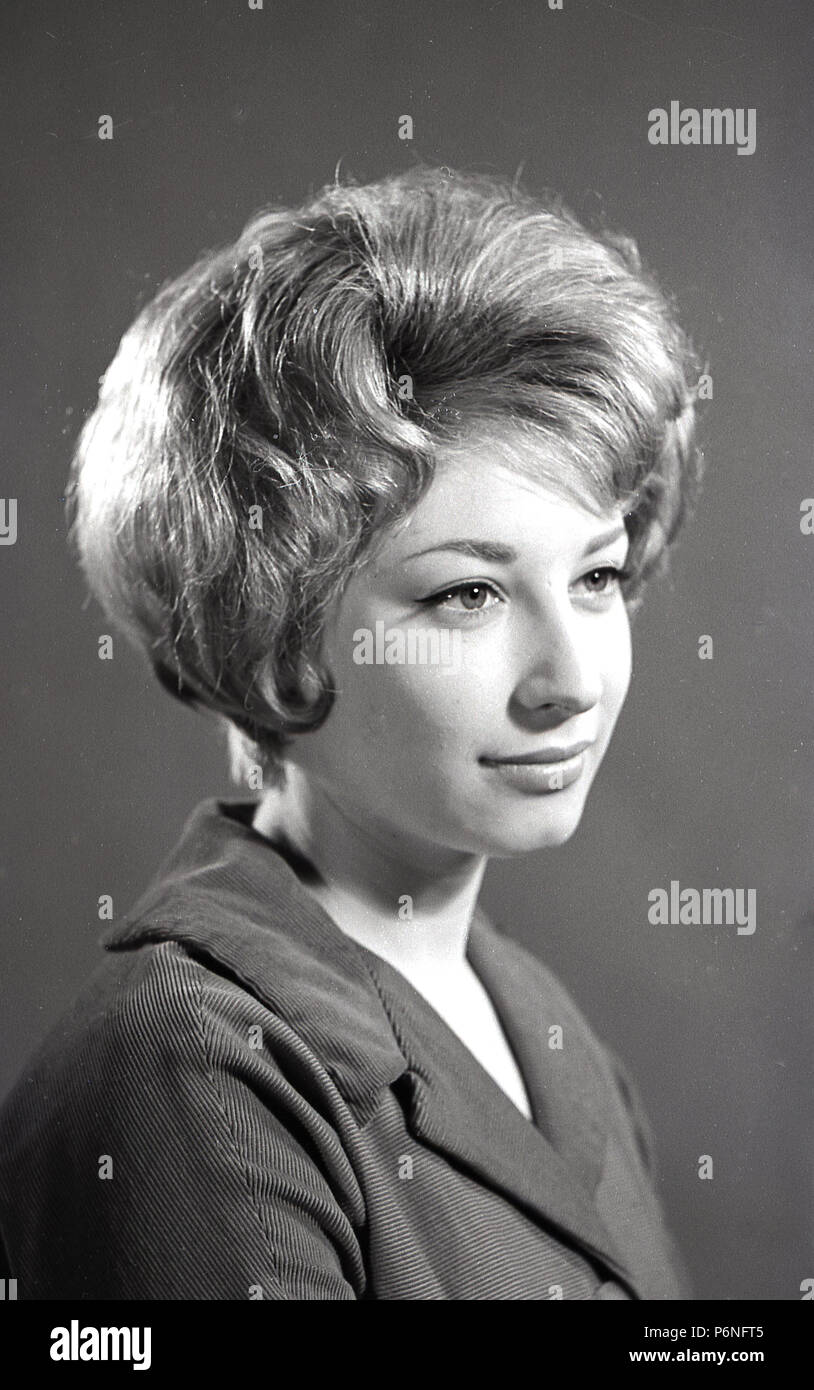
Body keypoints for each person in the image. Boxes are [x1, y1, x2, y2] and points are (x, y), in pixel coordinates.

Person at [0, 166, 702, 1299]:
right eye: (466, 594)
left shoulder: (545, 1027)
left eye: (598, 575)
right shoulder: (188, 1067)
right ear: (275, 631)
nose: (570, 681)